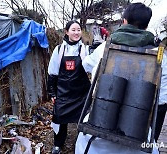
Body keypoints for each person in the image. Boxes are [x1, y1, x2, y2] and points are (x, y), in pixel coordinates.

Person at [77, 3, 161, 154]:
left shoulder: (105, 47)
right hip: (138, 134)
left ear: (124, 21)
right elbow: (161, 100)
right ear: (146, 26)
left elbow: (85, 65)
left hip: (97, 132)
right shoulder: (159, 56)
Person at [47, 20, 91, 154]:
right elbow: (52, 72)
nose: (76, 32)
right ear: (66, 32)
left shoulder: (85, 49)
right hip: (63, 92)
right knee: (59, 118)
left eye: (78, 30)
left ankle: (82, 144)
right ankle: (58, 144)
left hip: (81, 93)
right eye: (73, 29)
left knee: (83, 119)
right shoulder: (59, 50)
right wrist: (52, 93)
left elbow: (92, 70)